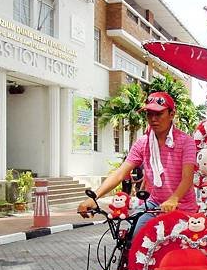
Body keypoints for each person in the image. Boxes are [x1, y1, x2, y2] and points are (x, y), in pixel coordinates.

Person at [77, 92, 198, 235]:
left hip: (183, 207)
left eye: (158, 114)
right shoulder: (143, 143)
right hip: (154, 205)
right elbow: (120, 174)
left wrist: (173, 199)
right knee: (134, 238)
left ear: (172, 114)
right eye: (149, 114)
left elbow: (187, 178)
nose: (153, 119)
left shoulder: (186, 141)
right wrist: (93, 198)